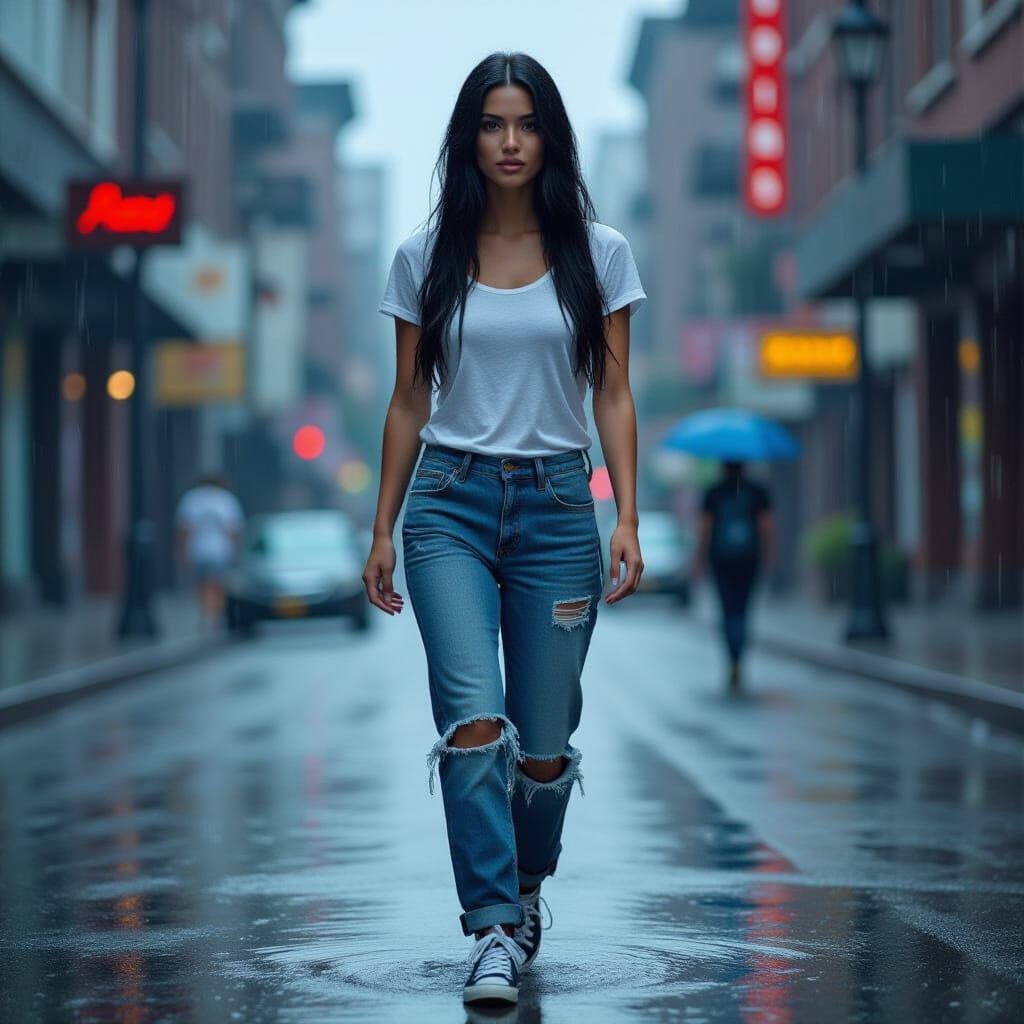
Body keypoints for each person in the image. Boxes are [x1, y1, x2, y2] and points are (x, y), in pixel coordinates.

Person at [362, 52, 646, 1007]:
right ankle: (489, 928)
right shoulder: (425, 254)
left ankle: (525, 891)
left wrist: (629, 517)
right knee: (474, 722)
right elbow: (408, 401)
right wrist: (382, 526)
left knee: (544, 745)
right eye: (492, 123)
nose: (510, 142)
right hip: (448, 504)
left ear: (549, 135)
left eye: (526, 123)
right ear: (468, 137)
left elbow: (613, 390)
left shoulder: (598, 253)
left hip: (563, 509)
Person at [694, 461, 774, 691]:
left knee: (727, 610)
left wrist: (699, 560)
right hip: (749, 560)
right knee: (743, 610)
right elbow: (767, 527)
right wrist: (768, 557)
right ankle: (739, 660)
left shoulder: (714, 492)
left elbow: (705, 529)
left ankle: (732, 660)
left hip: (721, 560)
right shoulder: (757, 492)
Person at [174, 474, 244, 630]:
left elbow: (184, 529)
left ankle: (206, 615)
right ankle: (215, 616)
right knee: (217, 584)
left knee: (203, 584)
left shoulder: (192, 499)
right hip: (220, 551)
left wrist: (182, 551)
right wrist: (236, 550)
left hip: (198, 550)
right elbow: (233, 529)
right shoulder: (226, 499)